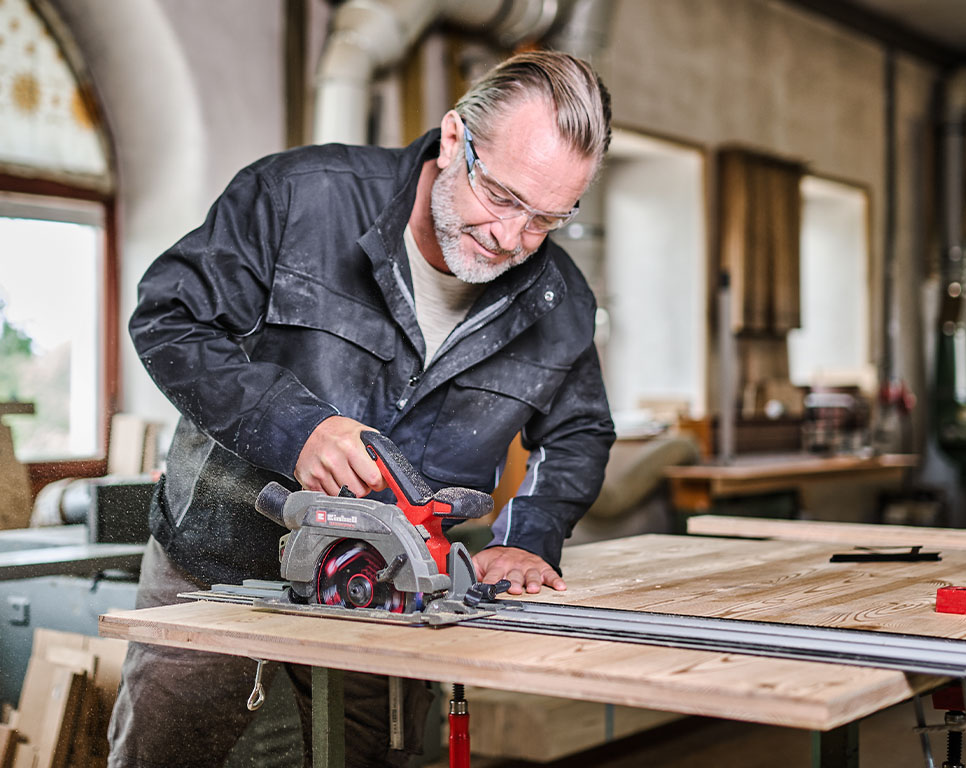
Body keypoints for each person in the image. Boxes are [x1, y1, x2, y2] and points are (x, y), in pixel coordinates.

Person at [108, 49, 615, 768]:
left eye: (545, 219)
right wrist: (296, 428)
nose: (510, 239)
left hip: (394, 592)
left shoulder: (558, 300)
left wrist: (530, 535)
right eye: (501, 197)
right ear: (452, 139)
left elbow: (580, 432)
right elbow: (170, 318)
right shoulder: (298, 196)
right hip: (217, 565)